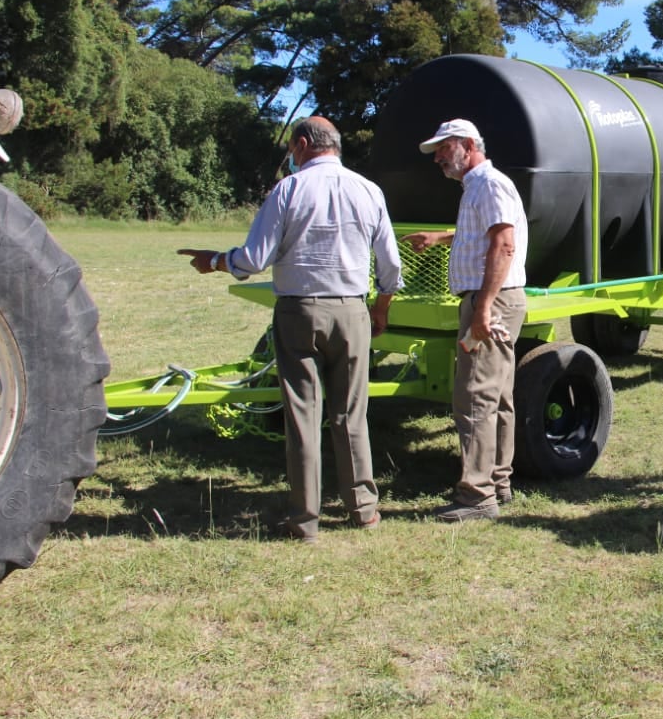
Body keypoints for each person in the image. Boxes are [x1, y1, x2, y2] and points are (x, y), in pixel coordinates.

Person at [178, 116, 403, 543]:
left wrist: (213, 260)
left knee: (303, 416)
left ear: (301, 145)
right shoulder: (369, 190)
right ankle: (363, 509)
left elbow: (252, 259)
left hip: (299, 311)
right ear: (335, 145)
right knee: (351, 414)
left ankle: (305, 520)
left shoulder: (289, 190)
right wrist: (381, 307)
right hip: (353, 310)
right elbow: (390, 265)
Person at [401, 119, 528, 522]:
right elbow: (480, 235)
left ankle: (477, 496)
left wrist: (484, 308)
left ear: (469, 145)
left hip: (490, 300)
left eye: (444, 147)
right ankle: (498, 482)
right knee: (497, 395)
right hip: (492, 298)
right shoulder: (477, 187)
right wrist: (440, 238)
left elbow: (504, 244)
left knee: (475, 395)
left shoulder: (489, 184)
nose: (437, 157)